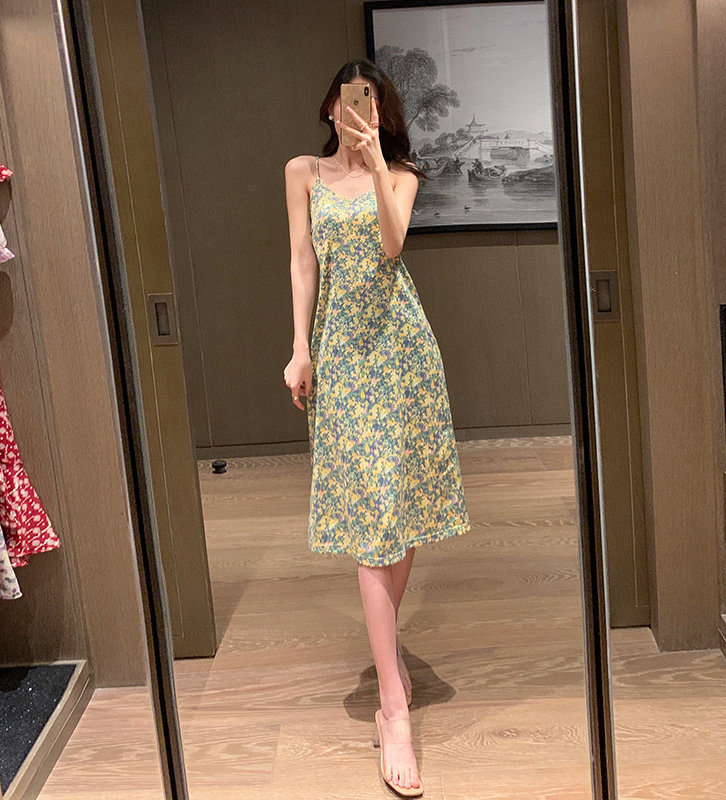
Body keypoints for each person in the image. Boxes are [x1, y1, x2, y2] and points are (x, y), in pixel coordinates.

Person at [282, 58, 471, 798]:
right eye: (345, 101)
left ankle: (390, 671)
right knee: (371, 525)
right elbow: (302, 261)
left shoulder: (404, 174)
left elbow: (393, 245)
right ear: (330, 106)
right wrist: (299, 348)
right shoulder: (302, 172)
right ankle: (394, 705)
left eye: (368, 103)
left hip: (402, 350)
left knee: (402, 511)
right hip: (341, 355)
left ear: (380, 111)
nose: (354, 112)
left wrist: (378, 161)